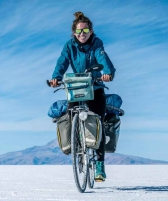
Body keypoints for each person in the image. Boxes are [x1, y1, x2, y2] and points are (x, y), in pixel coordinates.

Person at [50, 11, 116, 181]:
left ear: (91, 31)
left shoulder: (96, 43)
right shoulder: (69, 45)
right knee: (71, 117)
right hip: (76, 87)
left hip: (95, 87)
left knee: (98, 122)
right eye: (79, 31)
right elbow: (62, 62)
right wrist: (56, 78)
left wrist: (107, 73)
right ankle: (78, 148)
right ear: (74, 33)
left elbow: (103, 57)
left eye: (85, 31)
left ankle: (99, 166)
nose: (82, 35)